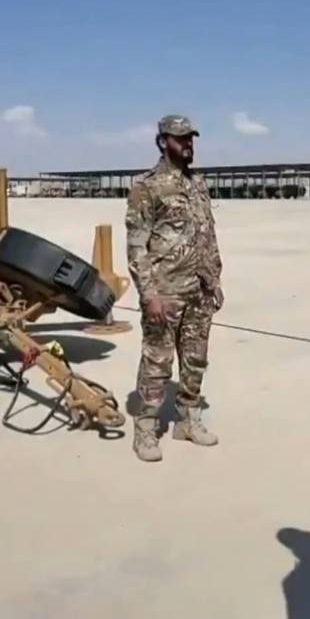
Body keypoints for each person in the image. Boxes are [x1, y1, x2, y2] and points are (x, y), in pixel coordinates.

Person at [124, 114, 223, 462]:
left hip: (200, 290)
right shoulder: (146, 187)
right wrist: (148, 294)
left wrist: (215, 280)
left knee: (195, 360)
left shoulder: (198, 184)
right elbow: (136, 246)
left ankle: (188, 420)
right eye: (181, 139)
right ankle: (146, 429)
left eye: (191, 138)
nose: (189, 144)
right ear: (164, 141)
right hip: (165, 292)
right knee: (157, 361)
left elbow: (206, 234)